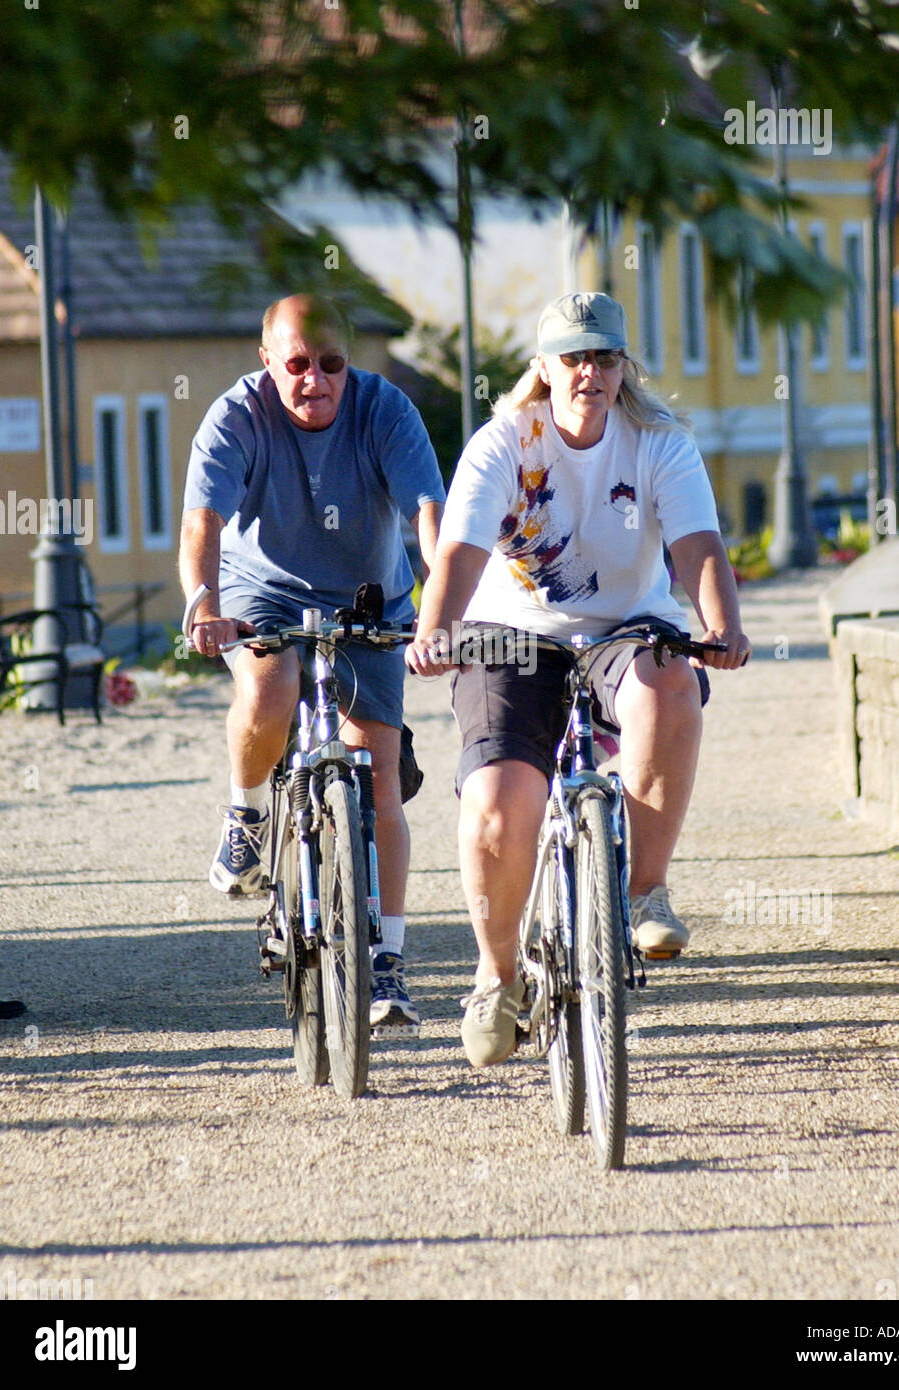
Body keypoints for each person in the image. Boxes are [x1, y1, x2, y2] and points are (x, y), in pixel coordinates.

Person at [406, 291, 750, 1067]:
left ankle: (643, 893)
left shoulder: (660, 442)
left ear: (623, 366)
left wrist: (721, 626)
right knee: (499, 800)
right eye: (573, 356)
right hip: (511, 633)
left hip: (626, 628)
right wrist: (436, 632)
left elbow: (697, 546)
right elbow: (459, 554)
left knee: (668, 686)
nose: (589, 370)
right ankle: (496, 977)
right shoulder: (505, 444)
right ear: (545, 368)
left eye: (603, 355)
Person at [180, 293, 446, 1032]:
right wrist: (203, 602)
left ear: (349, 362)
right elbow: (203, 519)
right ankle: (247, 815)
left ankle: (386, 955)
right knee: (272, 689)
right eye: (297, 364)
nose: (314, 381)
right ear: (269, 362)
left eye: (331, 364)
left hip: (371, 599)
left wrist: (443, 607)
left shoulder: (387, 409)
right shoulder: (236, 418)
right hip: (261, 595)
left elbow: (430, 510)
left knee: (378, 770)